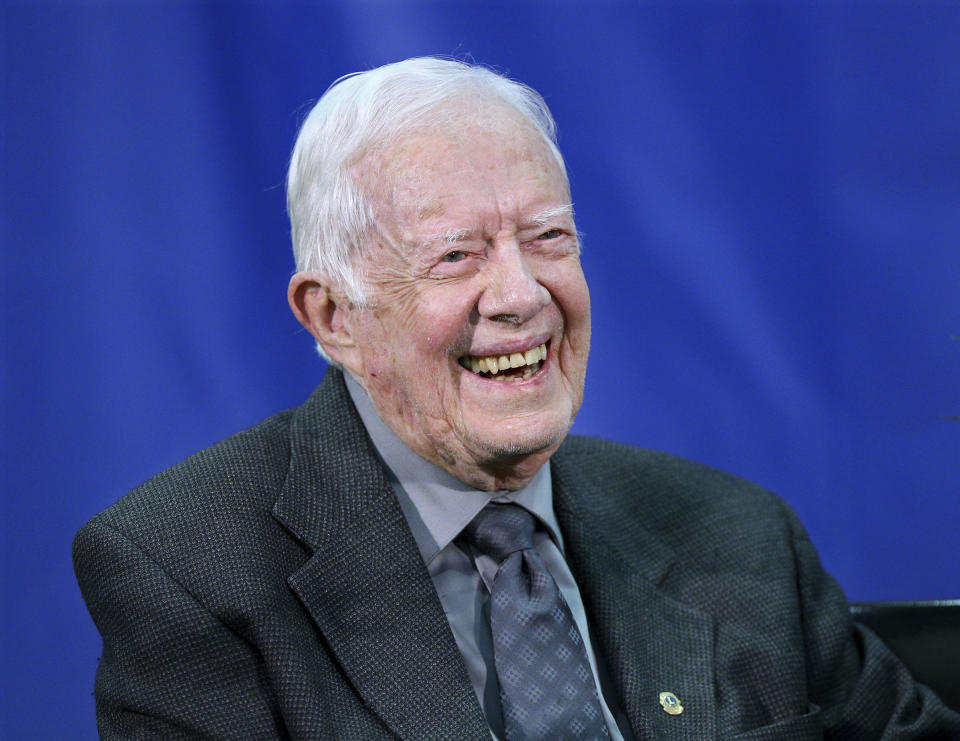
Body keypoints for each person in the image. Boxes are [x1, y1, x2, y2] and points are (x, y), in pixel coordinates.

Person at [74, 57, 960, 740]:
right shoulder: (186, 574)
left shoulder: (740, 535)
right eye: (456, 254)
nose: (522, 294)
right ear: (334, 315)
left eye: (548, 238)